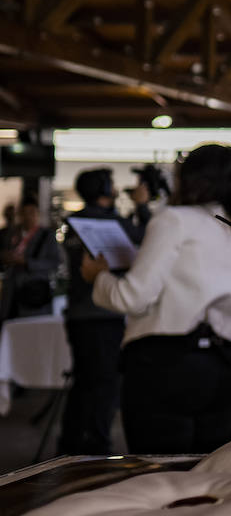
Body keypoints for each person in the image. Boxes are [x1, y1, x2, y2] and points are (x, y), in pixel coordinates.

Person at [82, 145, 231, 454]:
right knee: (210, 472)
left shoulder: (174, 220)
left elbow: (131, 298)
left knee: (157, 475)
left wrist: (99, 276)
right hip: (228, 363)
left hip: (167, 365)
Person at [57, 169, 146, 455]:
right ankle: (97, 446)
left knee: (84, 381)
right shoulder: (108, 222)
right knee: (106, 383)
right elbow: (145, 239)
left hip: (79, 315)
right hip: (103, 314)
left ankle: (70, 444)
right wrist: (142, 207)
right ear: (104, 188)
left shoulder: (75, 221)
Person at [0, 196, 61, 322]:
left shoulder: (46, 235)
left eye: (32, 213)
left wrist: (27, 262)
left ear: (38, 214)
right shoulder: (11, 233)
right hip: (11, 292)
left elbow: (55, 262)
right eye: (24, 213)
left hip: (34, 291)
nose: (28, 217)